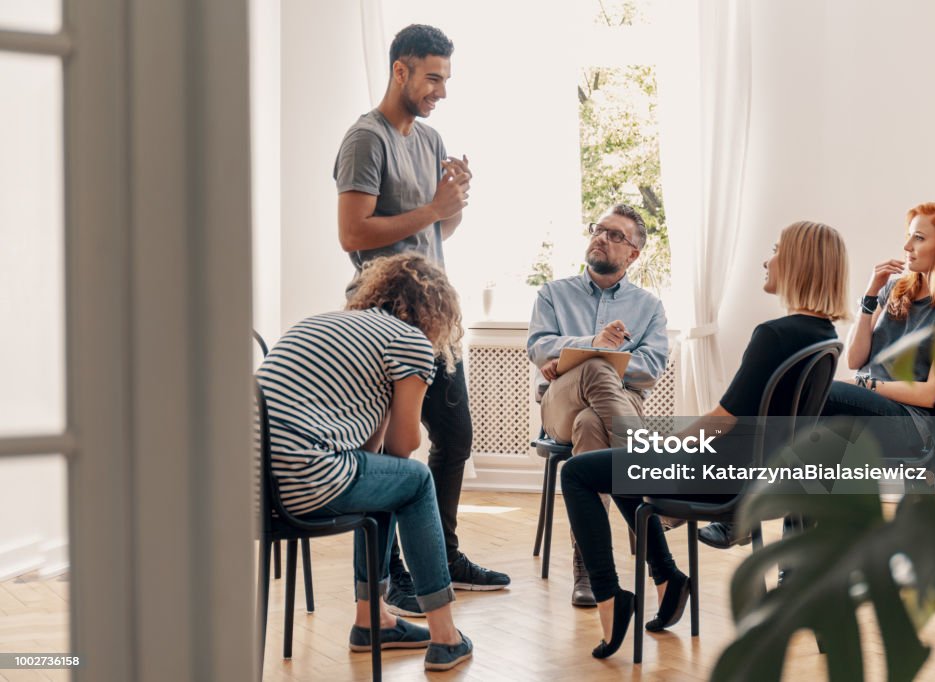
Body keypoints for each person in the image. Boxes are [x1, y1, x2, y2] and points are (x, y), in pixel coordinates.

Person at [561, 221, 849, 658]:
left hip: (722, 478)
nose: (767, 259)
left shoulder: (774, 335)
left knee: (579, 471)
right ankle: (668, 576)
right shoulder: (825, 337)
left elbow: (721, 421)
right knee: (622, 465)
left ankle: (609, 597)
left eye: (774, 249)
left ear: (798, 263)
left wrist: (664, 450)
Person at [333, 23, 510, 615]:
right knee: (391, 453)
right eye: (432, 77)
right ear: (400, 70)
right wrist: (432, 207)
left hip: (435, 316)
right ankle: (396, 577)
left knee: (454, 438)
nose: (441, 90)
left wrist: (451, 204)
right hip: (383, 319)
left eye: (446, 78)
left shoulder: (431, 140)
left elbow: (434, 231)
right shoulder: (366, 139)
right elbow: (353, 234)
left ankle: (444, 555)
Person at [257, 254, 473, 672]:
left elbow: (373, 456)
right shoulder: (408, 341)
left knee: (387, 478)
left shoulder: (317, 322)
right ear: (434, 310)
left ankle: (372, 620)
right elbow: (404, 445)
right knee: (416, 480)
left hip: (252, 483)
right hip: (304, 477)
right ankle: (445, 636)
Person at [526, 204, 669, 607]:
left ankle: (589, 566)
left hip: (617, 406)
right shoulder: (553, 293)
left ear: (633, 255)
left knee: (592, 423)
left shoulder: (649, 307)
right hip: (559, 404)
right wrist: (596, 346)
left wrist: (587, 360)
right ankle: (654, 486)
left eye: (615, 235)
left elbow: (650, 370)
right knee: (592, 373)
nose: (602, 238)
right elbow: (538, 347)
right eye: (599, 229)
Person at [821, 202, 935, 463]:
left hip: (911, 422)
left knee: (820, 393)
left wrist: (863, 384)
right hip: (867, 403)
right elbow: (855, 360)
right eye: (909, 236)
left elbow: (929, 395)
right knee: (805, 399)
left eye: (919, 238)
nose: (907, 247)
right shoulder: (895, 290)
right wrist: (871, 295)